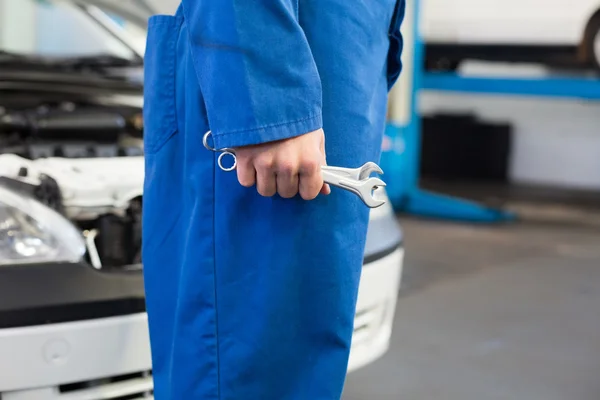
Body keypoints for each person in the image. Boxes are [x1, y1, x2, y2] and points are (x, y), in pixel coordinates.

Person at [142, 0, 404, 398]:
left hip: (338, 52)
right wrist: (270, 103)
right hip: (289, 45)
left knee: (297, 351)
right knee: (244, 359)